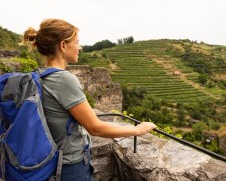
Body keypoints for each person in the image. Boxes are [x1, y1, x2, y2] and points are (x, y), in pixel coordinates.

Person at [22, 19, 156, 181]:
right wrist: (139, 130)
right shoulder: (64, 80)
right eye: (77, 42)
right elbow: (95, 128)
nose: (80, 47)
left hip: (47, 161)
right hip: (69, 166)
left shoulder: (38, 74)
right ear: (63, 46)